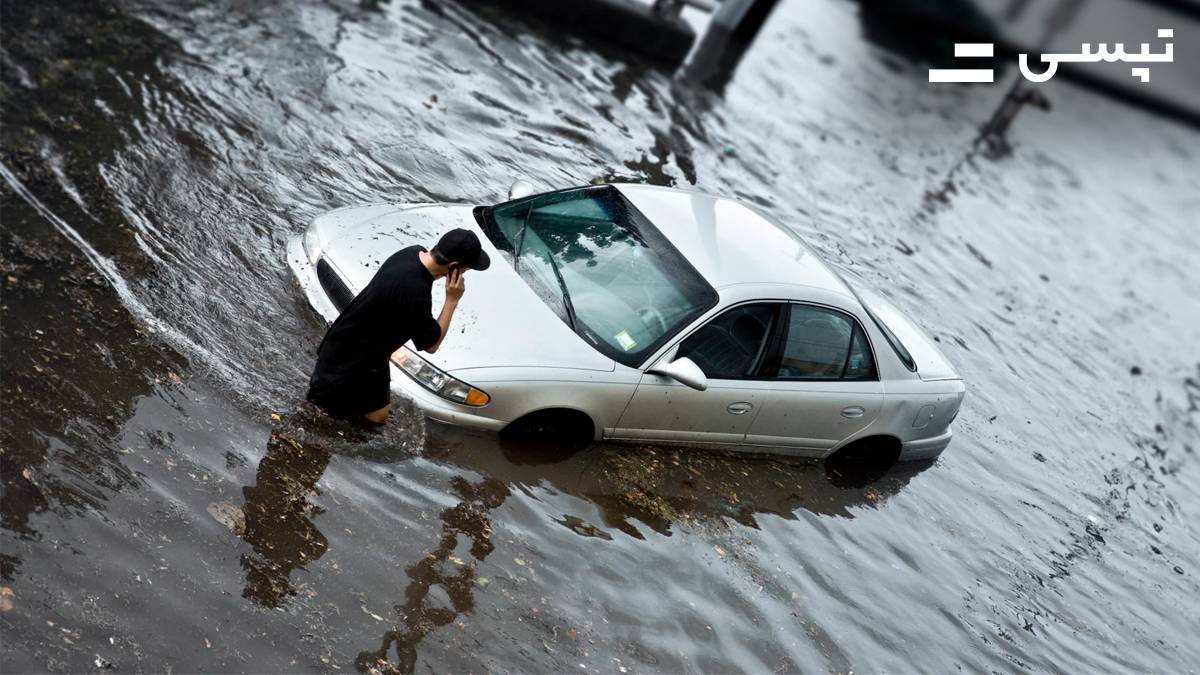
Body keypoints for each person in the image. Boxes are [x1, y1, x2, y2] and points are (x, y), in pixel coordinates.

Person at [306, 228, 490, 424]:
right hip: (347, 363)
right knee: (315, 417)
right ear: (453, 266)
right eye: (466, 269)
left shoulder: (411, 253)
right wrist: (452, 300)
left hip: (366, 354)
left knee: (377, 418)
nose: (464, 274)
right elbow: (432, 344)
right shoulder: (415, 291)